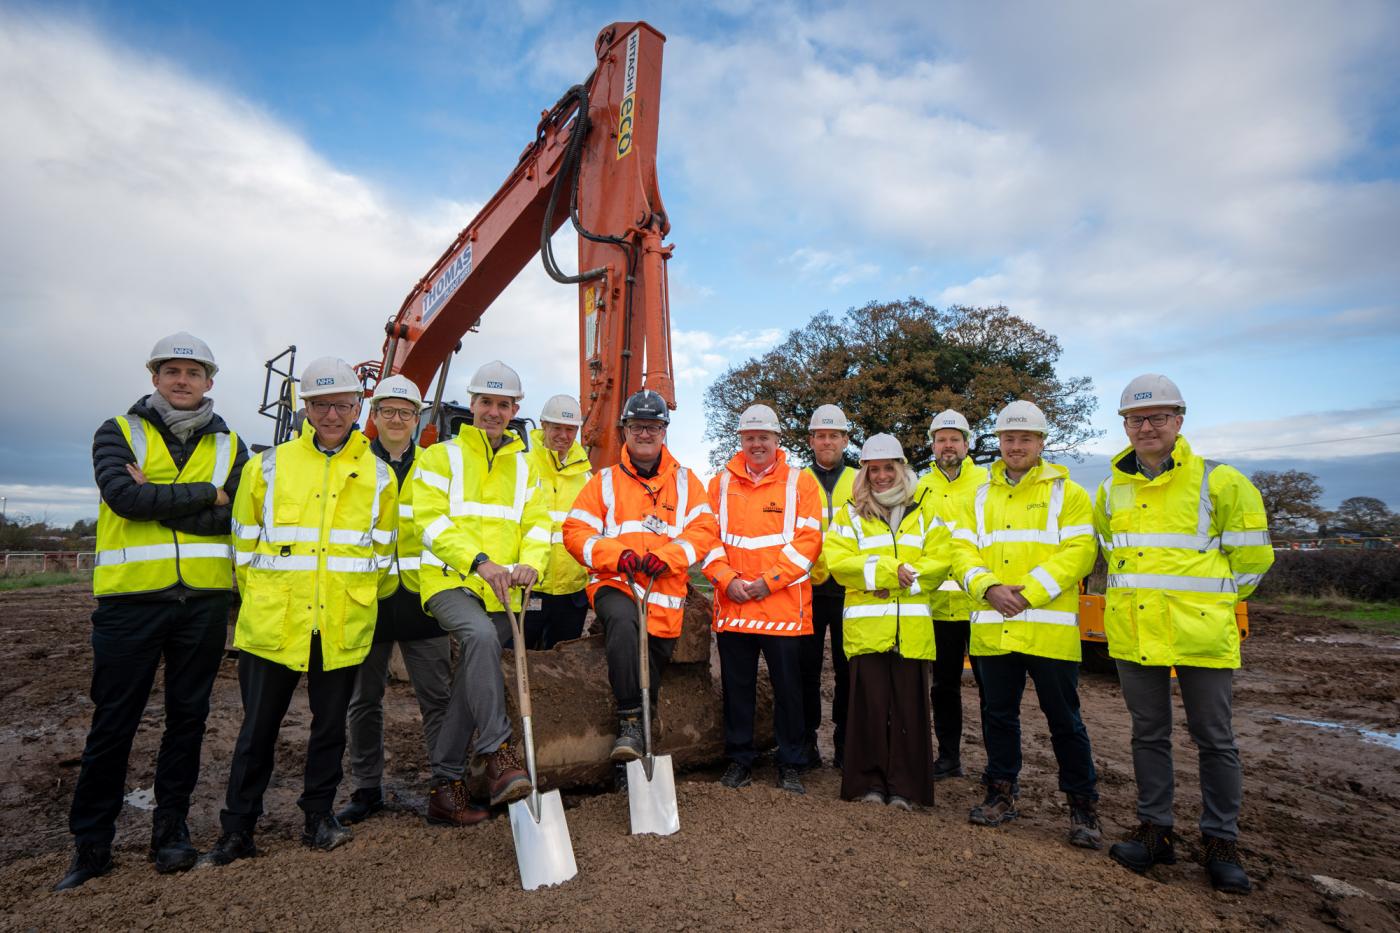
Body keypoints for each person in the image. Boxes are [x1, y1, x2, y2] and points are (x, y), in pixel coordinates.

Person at [58, 333, 248, 890]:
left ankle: (171, 832)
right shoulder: (119, 431)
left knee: (187, 723)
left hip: (205, 603)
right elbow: (124, 498)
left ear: (209, 381)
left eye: (193, 372)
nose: (182, 380)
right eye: (172, 371)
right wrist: (204, 495)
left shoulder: (234, 445)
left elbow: (231, 517)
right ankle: (91, 845)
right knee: (113, 724)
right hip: (131, 603)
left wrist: (166, 499)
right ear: (155, 377)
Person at [201, 357, 397, 866]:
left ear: (358, 408)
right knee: (257, 730)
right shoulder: (266, 466)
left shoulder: (377, 475)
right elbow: (242, 549)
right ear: (304, 408)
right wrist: (266, 597)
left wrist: (352, 599)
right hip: (276, 620)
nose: (331, 415)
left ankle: (318, 817)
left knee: (330, 728)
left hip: (341, 621)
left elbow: (383, 556)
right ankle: (238, 829)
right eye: (319, 404)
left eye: (341, 405)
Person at [1096, 374, 1274, 894]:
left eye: (1157, 417)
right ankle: (1156, 831)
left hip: (1201, 636)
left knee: (1215, 740)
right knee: (1147, 735)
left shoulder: (1222, 482)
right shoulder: (1111, 488)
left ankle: (1221, 842)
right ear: (1125, 426)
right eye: (1136, 419)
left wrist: (1209, 604)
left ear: (1179, 421)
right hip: (1135, 632)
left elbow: (1253, 560)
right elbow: (1115, 555)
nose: (1146, 426)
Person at [949, 400, 1101, 848]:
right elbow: (961, 551)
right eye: (1009, 439)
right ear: (998, 442)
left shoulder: (1068, 493)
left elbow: (1079, 553)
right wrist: (991, 588)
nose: (1016, 446)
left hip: (1047, 628)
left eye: (1025, 439)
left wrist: (1027, 593)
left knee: (1065, 721)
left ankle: (1082, 805)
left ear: (1041, 442)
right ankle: (1000, 792)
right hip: (994, 626)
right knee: (998, 716)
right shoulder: (979, 494)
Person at [411, 360, 550, 826]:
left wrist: (532, 562)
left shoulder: (528, 468)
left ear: (515, 410)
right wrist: (477, 562)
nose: (493, 411)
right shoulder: (439, 456)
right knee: (481, 639)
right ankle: (498, 752)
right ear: (471, 405)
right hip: (449, 581)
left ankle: (444, 786)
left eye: (503, 404)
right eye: (486, 402)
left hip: (502, 594)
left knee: (473, 679)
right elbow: (428, 521)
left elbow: (538, 525)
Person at [562, 390, 718, 771]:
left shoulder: (686, 482)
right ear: (624, 432)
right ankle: (629, 721)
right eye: (636, 426)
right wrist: (618, 556)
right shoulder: (603, 482)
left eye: (652, 426)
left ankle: (633, 761)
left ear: (664, 431)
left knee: (650, 671)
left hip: (664, 595)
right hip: (617, 583)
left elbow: (704, 530)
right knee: (624, 621)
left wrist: (667, 558)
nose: (644, 433)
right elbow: (575, 531)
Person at [336, 375, 451, 826]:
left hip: (425, 599)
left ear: (418, 418)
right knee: (363, 700)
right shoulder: (356, 464)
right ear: (375, 416)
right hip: (370, 598)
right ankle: (367, 789)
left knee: (437, 700)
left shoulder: (436, 465)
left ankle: (445, 786)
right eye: (389, 411)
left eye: (406, 412)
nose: (397, 419)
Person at [823, 433, 950, 810]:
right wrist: (889, 572)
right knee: (870, 709)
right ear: (864, 473)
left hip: (910, 630)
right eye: (873, 469)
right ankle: (868, 786)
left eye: (887, 468)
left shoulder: (925, 511)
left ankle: (905, 789)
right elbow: (839, 562)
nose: (880, 476)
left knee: (910, 710)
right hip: (868, 631)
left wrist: (897, 582)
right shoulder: (850, 514)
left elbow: (940, 560)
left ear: (901, 469)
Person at [702, 404, 824, 794]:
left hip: (782, 607)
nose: (757, 444)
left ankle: (791, 762)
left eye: (764, 437)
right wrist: (726, 579)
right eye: (750, 437)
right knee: (737, 689)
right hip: (734, 603)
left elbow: (809, 542)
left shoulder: (801, 483)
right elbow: (705, 538)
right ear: (741, 440)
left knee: (790, 691)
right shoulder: (719, 484)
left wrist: (767, 582)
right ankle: (739, 760)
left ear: (777, 440)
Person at [913, 409, 988, 780]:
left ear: (966, 442)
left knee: (993, 690)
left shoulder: (988, 482)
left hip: (983, 606)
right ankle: (949, 756)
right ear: (933, 445)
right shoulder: (920, 486)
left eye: (954, 439)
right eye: (941, 440)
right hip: (940, 608)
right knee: (943, 687)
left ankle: (998, 766)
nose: (948, 446)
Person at [800, 404, 857, 769]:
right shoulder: (796, 480)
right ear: (811, 440)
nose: (827, 441)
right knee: (804, 669)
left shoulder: (862, 478)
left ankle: (845, 742)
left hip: (850, 588)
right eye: (820, 435)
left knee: (848, 670)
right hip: (807, 586)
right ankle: (806, 742)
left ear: (845, 439)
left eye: (833, 435)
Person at [523, 394, 592, 649]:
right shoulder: (523, 466)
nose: (564, 435)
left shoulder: (585, 476)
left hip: (572, 589)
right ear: (543, 425)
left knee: (562, 662)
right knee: (522, 654)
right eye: (557, 428)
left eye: (570, 429)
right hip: (532, 584)